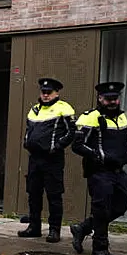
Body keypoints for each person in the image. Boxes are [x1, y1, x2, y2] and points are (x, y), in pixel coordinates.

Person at [70, 82, 127, 255]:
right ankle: (100, 248)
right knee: (102, 208)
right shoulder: (90, 117)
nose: (112, 102)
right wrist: (98, 156)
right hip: (99, 172)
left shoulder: (122, 117)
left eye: (115, 98)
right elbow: (77, 145)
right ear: (100, 98)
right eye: (108, 99)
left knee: (122, 203)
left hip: (119, 170)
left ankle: (83, 227)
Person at [18, 77, 76, 243]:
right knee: (33, 194)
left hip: (52, 160)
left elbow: (71, 132)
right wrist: (26, 142)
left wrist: (56, 147)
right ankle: (34, 227)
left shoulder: (64, 108)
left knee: (54, 195)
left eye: (49, 92)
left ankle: (54, 230)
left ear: (56, 92)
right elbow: (29, 129)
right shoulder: (34, 109)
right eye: (43, 92)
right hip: (34, 159)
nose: (45, 95)